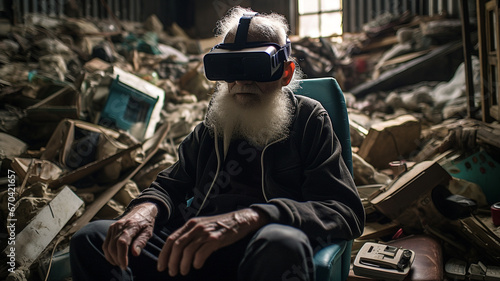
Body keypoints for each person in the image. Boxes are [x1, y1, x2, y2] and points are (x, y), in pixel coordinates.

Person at [70, 6, 365, 281]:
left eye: (255, 66)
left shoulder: (309, 119)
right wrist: (145, 209)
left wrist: (255, 216)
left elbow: (343, 210)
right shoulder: (218, 119)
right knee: (93, 237)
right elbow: (170, 184)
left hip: (261, 253)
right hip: (197, 252)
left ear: (285, 73)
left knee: (282, 243)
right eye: (230, 67)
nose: (240, 81)